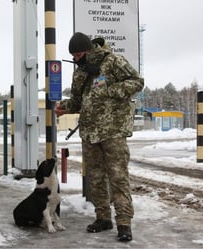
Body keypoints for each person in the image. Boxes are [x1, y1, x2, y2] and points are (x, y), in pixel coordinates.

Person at [54, 32, 144, 242]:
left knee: (118, 177)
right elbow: (78, 100)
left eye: (78, 54)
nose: (76, 58)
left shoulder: (113, 61)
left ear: (89, 50)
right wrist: (65, 107)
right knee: (95, 178)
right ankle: (103, 218)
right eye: (73, 56)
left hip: (113, 131)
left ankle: (124, 223)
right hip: (90, 132)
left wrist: (109, 91)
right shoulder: (80, 72)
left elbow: (137, 82)